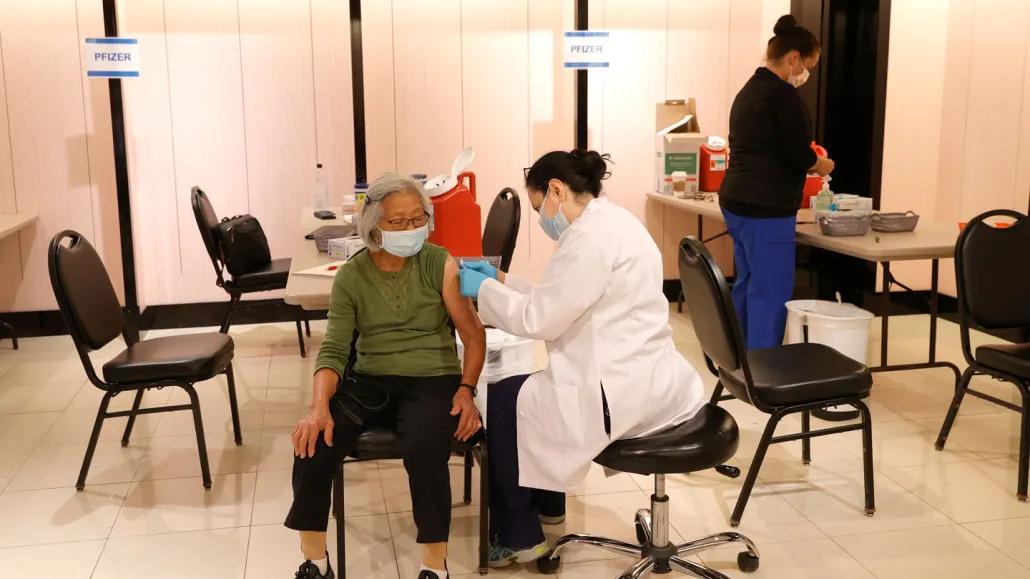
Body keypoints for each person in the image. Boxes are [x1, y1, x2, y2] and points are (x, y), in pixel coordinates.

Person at [457, 150, 707, 568]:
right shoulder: (615, 221)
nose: (541, 219)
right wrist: (499, 279)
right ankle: (549, 506)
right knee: (531, 390)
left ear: (556, 190)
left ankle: (518, 536)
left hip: (617, 391)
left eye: (538, 206)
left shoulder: (588, 240)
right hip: (650, 377)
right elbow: (560, 296)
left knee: (502, 399)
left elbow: (541, 318)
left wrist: (481, 291)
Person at [286, 173, 486, 579]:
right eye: (398, 222)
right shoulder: (351, 276)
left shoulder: (438, 262)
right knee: (313, 442)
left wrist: (466, 389)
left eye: (418, 218)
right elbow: (334, 350)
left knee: (425, 447)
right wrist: (318, 407)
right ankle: (314, 562)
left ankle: (435, 565)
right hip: (370, 379)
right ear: (373, 225)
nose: (411, 228)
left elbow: (472, 333)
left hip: (433, 377)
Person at [718, 14, 834, 350]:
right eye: (808, 66)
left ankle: (737, 357)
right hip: (766, 208)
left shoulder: (749, 90)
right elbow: (798, 153)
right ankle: (764, 365)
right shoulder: (782, 96)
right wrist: (821, 164)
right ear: (794, 58)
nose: (806, 75)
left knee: (747, 281)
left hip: (736, 203)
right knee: (770, 291)